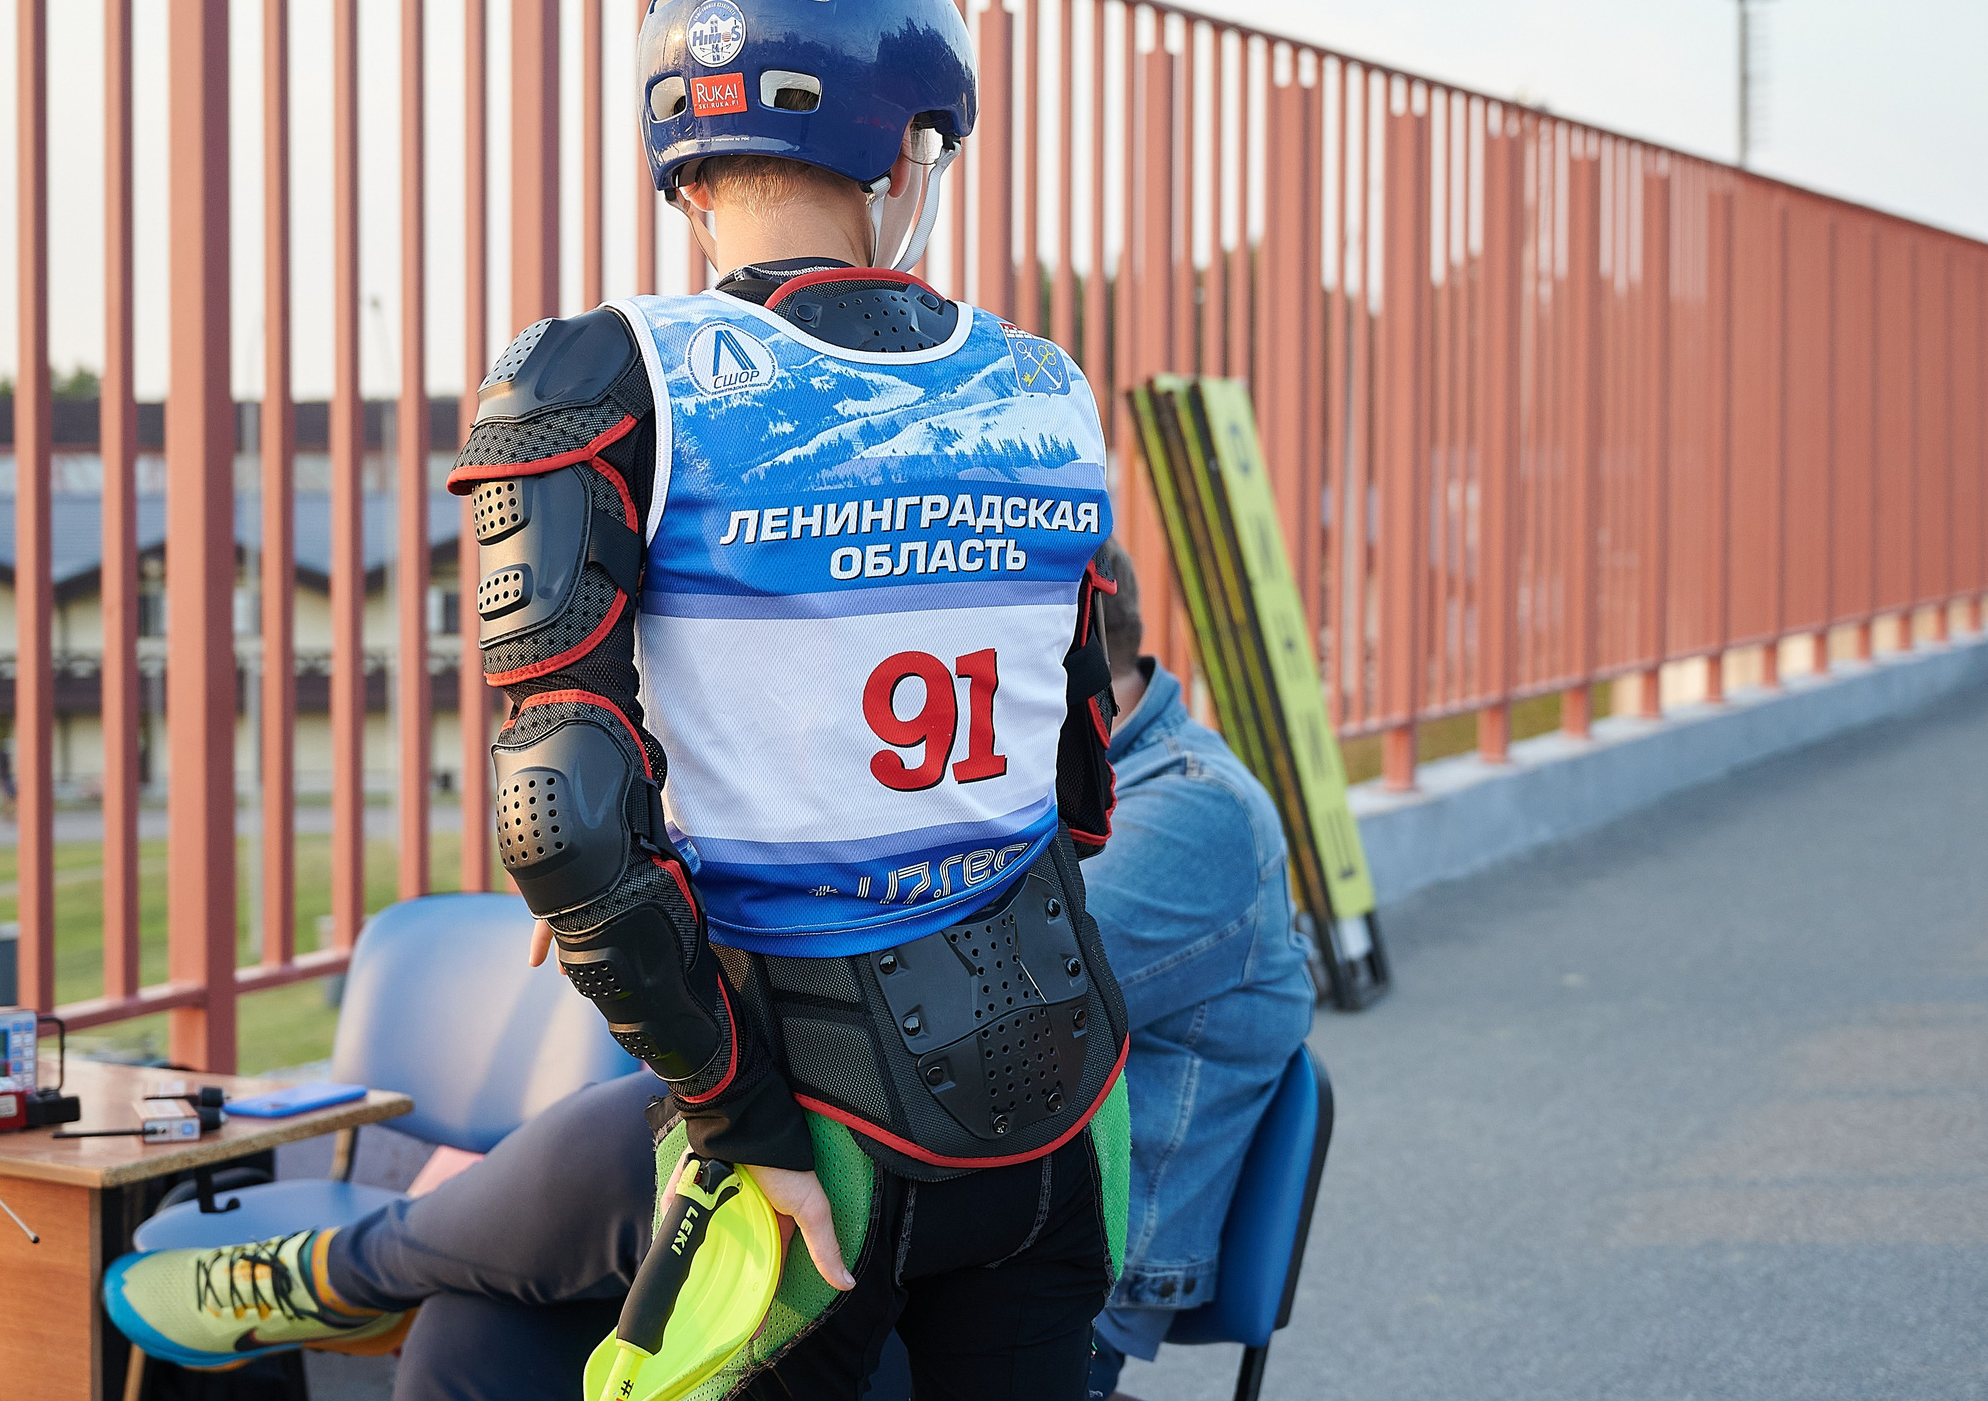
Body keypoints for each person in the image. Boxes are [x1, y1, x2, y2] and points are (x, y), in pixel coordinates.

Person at [109, 0, 1132, 1401]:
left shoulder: (606, 368)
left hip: (816, 1126)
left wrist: (740, 1109)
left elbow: (564, 819)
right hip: (1061, 1094)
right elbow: (1076, 781)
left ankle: (323, 1280)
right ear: (904, 150)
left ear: (682, 163)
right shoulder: (1048, 388)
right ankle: (339, 1277)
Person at [103, 539, 1316, 1401]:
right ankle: (364, 1267)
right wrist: (657, 897)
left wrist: (657, 913)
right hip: (849, 1212)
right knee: (484, 1328)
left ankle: (349, 1264)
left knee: (671, 1138)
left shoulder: (1192, 819)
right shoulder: (977, 786)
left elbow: (930, 1034)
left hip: (1014, 1271)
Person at [1075, 541, 1316, 1400]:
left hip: (1077, 1276)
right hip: (993, 1217)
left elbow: (1017, 1012)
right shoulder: (1068, 777)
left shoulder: (1194, 809)